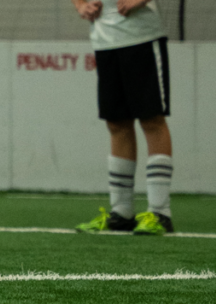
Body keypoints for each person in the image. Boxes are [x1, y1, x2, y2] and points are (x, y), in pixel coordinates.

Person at [72, 0, 175, 236]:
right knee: (117, 123)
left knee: (152, 120)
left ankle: (160, 213)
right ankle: (121, 213)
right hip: (104, 42)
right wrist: (80, 5)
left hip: (142, 37)